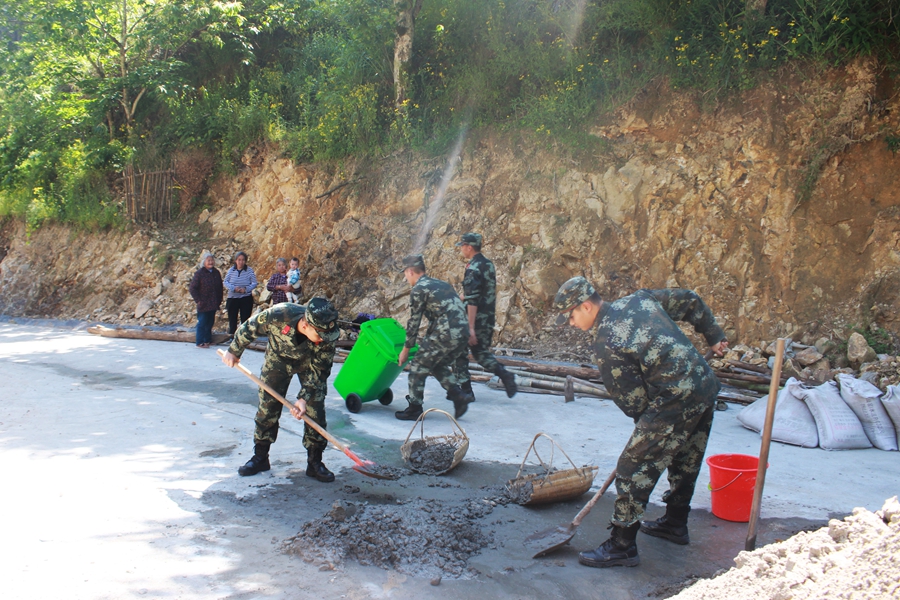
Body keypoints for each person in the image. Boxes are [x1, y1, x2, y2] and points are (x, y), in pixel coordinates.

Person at [553, 277, 728, 568]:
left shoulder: (605, 341)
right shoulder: (640, 299)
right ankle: (674, 523)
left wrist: (649, 434)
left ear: (586, 306)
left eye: (571, 316)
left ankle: (622, 545)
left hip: (674, 396)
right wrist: (713, 334)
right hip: (704, 385)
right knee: (685, 456)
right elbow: (689, 300)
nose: (571, 323)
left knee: (633, 465)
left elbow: (632, 401)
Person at [220, 298, 341, 482]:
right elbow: (249, 327)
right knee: (267, 406)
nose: (325, 339)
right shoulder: (280, 314)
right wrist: (234, 351)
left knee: (315, 408)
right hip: (278, 360)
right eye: (321, 335)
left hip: (309, 365)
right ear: (306, 325)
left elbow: (321, 370)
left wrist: (303, 398)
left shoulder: (327, 334)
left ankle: (314, 462)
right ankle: (261, 457)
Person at [395, 254, 475, 421]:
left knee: (418, 364)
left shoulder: (419, 289)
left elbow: (414, 323)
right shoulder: (441, 284)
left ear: (410, 271)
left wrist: (405, 350)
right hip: (462, 331)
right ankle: (459, 396)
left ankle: (414, 408)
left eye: (404, 273)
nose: (405, 277)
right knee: (436, 364)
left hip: (447, 331)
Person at [454, 232, 517, 399]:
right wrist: (462, 297)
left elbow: (473, 300)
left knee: (458, 352)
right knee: (480, 354)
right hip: (487, 317)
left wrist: (471, 328)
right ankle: (504, 374)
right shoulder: (487, 264)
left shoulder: (472, 268)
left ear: (469, 247)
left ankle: (466, 390)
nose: (460, 248)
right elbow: (480, 292)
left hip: (473, 318)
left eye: (462, 245)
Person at [189, 251, 223, 348]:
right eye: (208, 260)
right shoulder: (199, 273)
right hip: (203, 303)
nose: (210, 262)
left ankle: (208, 340)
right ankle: (200, 342)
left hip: (213, 303)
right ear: (204, 262)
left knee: (210, 322)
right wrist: (198, 300)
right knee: (202, 322)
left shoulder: (216, 272)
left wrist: (219, 300)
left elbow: (220, 287)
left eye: (211, 260)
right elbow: (192, 288)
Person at [223, 251, 258, 336]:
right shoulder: (231, 270)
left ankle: (244, 336)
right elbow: (225, 282)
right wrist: (233, 288)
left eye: (243, 260)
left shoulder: (249, 270)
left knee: (245, 319)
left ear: (245, 261)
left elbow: (254, 283)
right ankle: (232, 335)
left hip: (245, 297)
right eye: (239, 260)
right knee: (232, 318)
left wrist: (246, 289)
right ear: (235, 260)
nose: (241, 262)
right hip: (233, 298)